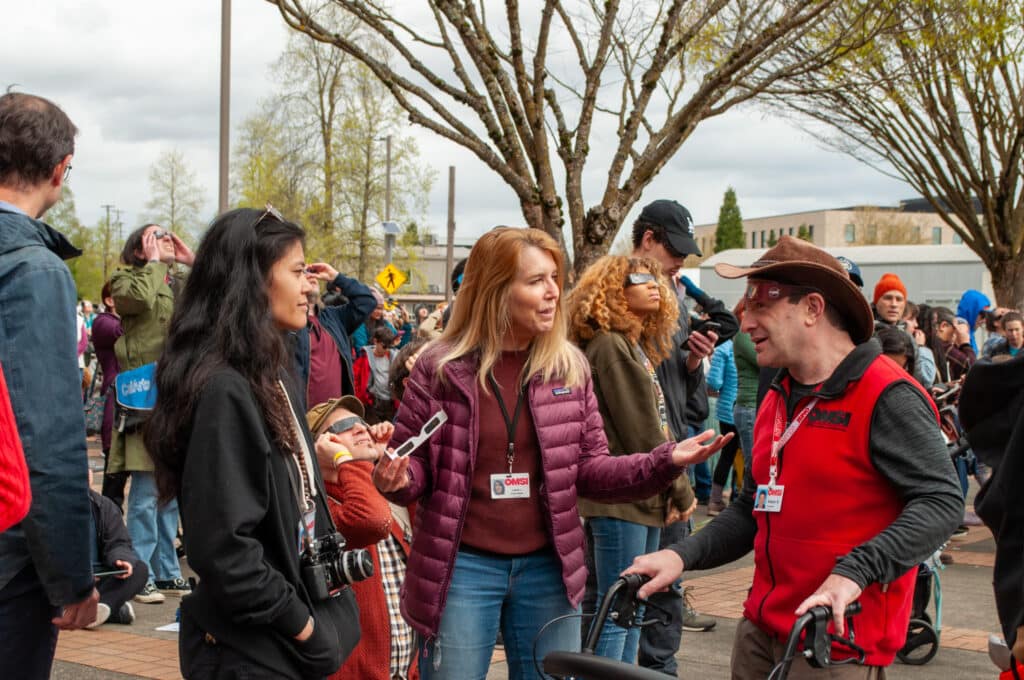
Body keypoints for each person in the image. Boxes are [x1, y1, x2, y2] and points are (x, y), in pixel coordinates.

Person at [372, 227, 732, 680]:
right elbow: (418, 465)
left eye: (554, 278)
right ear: (495, 290)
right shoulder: (440, 366)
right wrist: (399, 480)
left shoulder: (569, 365)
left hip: (549, 568)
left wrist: (665, 461)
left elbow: (591, 470)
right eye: (536, 281)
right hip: (461, 567)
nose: (552, 293)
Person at [627, 236, 964, 679]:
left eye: (760, 304)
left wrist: (855, 572)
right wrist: (682, 556)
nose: (744, 321)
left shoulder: (887, 394)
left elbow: (942, 503)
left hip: (835, 645)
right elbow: (752, 506)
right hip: (759, 634)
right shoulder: (779, 393)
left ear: (812, 309)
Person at [145, 206, 361, 679]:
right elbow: (224, 549)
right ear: (254, 281)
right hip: (255, 651)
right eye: (299, 271)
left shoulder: (270, 371)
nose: (311, 287)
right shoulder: (226, 389)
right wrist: (302, 626)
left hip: (278, 644)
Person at [0, 91, 99, 679]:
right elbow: (47, 438)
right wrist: (71, 576)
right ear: (60, 170)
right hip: (10, 558)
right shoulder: (33, 271)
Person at [567, 255, 697, 663]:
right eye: (639, 279)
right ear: (612, 291)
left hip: (639, 498)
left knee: (630, 606)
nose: (653, 284)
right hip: (622, 499)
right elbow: (642, 429)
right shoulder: (610, 345)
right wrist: (681, 490)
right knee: (617, 608)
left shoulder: (629, 345)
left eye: (655, 277)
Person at [629, 200, 735, 660]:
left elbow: (691, 405)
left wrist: (694, 360)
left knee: (668, 586)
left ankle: (660, 670)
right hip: (627, 471)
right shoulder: (610, 301)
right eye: (674, 249)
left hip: (674, 465)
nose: (680, 262)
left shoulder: (674, 302)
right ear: (648, 238)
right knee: (620, 588)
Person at [108, 223, 193, 604]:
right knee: (143, 491)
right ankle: (139, 573)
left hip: (172, 393)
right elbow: (138, 301)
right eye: (156, 236)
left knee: (168, 490)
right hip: (142, 396)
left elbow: (207, 299)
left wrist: (192, 261)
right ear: (140, 246)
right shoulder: (125, 278)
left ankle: (166, 571)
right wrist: (154, 263)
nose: (164, 240)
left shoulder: (173, 281)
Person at [306, 396, 418, 680]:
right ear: (321, 446)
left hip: (406, 671)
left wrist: (392, 459)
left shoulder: (376, 491)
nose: (361, 429)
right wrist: (346, 461)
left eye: (362, 422)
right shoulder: (319, 508)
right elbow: (369, 519)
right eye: (345, 426)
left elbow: (428, 522)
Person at [293, 261, 377, 411]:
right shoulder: (289, 323)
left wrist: (336, 277)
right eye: (302, 272)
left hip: (336, 418)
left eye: (311, 272)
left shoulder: (334, 317)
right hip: (304, 421)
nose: (310, 275)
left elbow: (367, 301)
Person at [87, 469, 147, 629]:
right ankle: (111, 610)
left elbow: (119, 541)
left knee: (139, 569)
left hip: (99, 577)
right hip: (66, 579)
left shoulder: (103, 505)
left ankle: (101, 607)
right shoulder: (53, 507)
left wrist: (121, 560)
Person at [91, 280, 127, 510]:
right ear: (109, 300)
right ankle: (105, 533)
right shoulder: (103, 322)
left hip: (130, 403)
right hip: (115, 407)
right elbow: (123, 331)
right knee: (113, 481)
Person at [707, 337, 741, 516]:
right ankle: (741, 500)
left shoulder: (724, 349)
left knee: (726, 456)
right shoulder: (755, 345)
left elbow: (714, 382)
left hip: (727, 411)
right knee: (747, 457)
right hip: (749, 409)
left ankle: (715, 501)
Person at [354, 325, 398, 424]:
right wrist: (361, 398)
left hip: (390, 403)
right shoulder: (364, 357)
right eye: (384, 346)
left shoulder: (394, 357)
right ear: (375, 341)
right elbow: (355, 378)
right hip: (372, 402)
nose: (386, 349)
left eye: (389, 346)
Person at [956, 289, 992, 353]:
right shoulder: (958, 330)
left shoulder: (970, 331)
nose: (984, 320)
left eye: (987, 315)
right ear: (971, 311)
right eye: (983, 315)